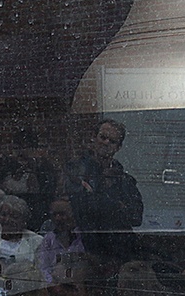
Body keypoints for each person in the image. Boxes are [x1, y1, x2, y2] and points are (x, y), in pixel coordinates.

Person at [62, 119, 143, 290]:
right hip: (87, 250)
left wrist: (97, 199)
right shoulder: (75, 171)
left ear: (118, 147)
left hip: (119, 253)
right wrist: (117, 206)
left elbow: (136, 216)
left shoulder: (123, 179)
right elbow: (80, 211)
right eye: (103, 137)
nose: (106, 143)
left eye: (112, 141)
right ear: (94, 138)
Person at [37, 198, 86, 294]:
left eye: (62, 214)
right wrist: (54, 284)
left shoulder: (84, 237)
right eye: (54, 215)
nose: (58, 218)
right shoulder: (48, 240)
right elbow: (42, 268)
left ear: (72, 214)